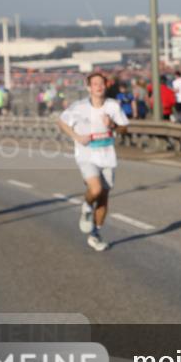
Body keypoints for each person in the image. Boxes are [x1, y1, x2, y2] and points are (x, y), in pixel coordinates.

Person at [56, 72, 129, 251]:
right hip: (86, 154)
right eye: (95, 84)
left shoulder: (113, 106)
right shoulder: (79, 107)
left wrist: (112, 125)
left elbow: (124, 129)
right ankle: (87, 206)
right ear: (89, 88)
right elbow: (61, 122)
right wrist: (76, 136)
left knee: (103, 198)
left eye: (101, 83)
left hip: (107, 156)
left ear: (105, 86)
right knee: (95, 189)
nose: (98, 86)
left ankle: (95, 233)